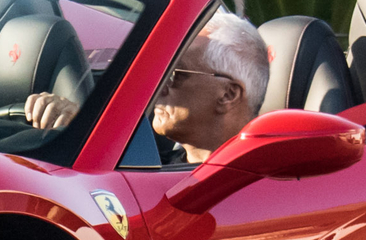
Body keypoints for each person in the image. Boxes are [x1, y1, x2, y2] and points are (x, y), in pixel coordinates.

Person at [26, 11, 268, 162]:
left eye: (174, 74)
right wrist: (78, 129)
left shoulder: (261, 184)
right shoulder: (163, 165)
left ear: (228, 94)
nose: (159, 86)